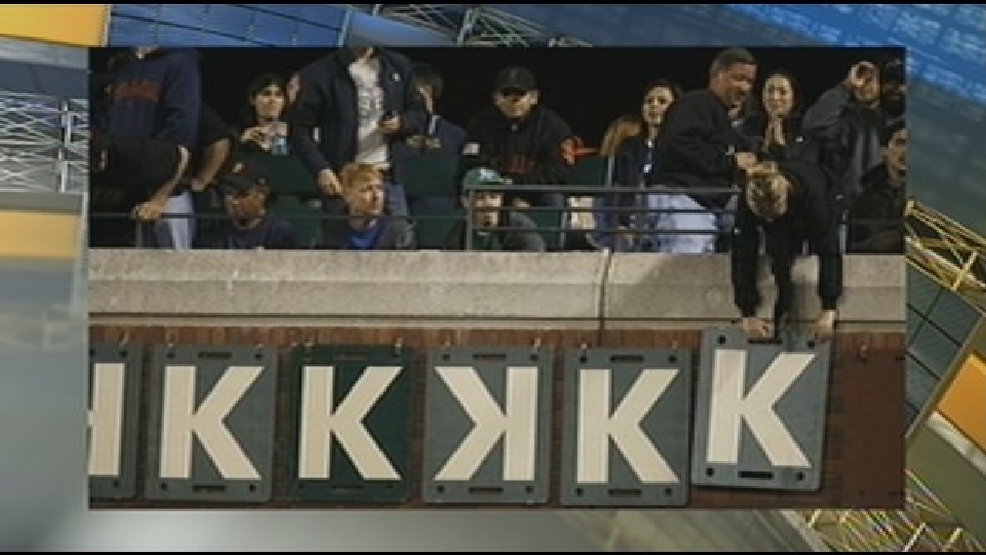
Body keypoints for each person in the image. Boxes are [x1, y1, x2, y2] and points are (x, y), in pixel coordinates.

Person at [730, 160, 844, 342]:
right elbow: (743, 253)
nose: (769, 220)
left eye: (773, 215)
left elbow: (829, 251)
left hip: (816, 197)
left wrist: (829, 308)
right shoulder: (748, 198)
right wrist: (747, 312)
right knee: (778, 256)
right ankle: (781, 316)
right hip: (782, 216)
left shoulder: (814, 198)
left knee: (807, 243)